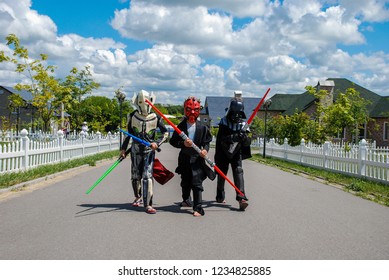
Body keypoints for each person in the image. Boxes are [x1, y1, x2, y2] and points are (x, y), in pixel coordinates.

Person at [120, 90, 168, 214]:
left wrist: (156, 143)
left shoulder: (156, 117)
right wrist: (123, 149)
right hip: (135, 150)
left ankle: (148, 204)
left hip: (149, 151)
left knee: (147, 176)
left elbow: (165, 133)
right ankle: (138, 196)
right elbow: (128, 135)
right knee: (136, 176)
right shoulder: (132, 116)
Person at [169, 96, 213, 217]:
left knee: (197, 183)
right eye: (189, 109)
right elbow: (173, 141)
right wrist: (182, 143)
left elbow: (207, 141)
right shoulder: (180, 127)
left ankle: (198, 207)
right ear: (185, 109)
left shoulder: (203, 127)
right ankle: (186, 199)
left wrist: (205, 150)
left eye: (196, 109)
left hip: (197, 159)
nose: (192, 112)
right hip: (184, 158)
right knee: (185, 182)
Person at [214, 91, 251, 211]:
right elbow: (221, 139)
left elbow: (247, 144)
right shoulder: (224, 122)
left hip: (237, 153)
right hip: (223, 152)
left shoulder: (244, 124)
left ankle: (241, 197)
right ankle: (220, 195)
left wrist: (244, 138)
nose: (236, 115)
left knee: (238, 171)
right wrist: (234, 137)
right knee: (222, 174)